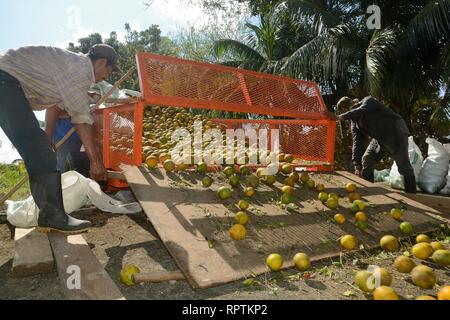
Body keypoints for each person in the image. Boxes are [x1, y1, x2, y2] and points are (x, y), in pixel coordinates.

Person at [0, 44, 119, 233]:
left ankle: (50, 215)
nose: (107, 77)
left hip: (7, 82)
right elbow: (81, 120)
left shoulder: (71, 67)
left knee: (39, 149)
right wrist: (96, 162)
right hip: (5, 81)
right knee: (38, 150)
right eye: (109, 72)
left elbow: (55, 104)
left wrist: (47, 137)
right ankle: (52, 216)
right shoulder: (80, 69)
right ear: (102, 63)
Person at [336, 96, 416, 193]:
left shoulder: (368, 101)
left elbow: (362, 110)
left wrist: (342, 117)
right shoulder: (355, 123)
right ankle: (370, 191)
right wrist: (356, 164)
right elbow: (357, 142)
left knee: (403, 164)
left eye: (347, 109)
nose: (348, 112)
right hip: (379, 138)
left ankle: (412, 193)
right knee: (367, 159)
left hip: (395, 130)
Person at [45, 106, 90, 177]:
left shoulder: (80, 98)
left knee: (80, 165)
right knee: (61, 166)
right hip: (61, 138)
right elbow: (55, 111)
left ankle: (80, 184)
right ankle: (61, 185)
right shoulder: (57, 99)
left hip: (78, 138)